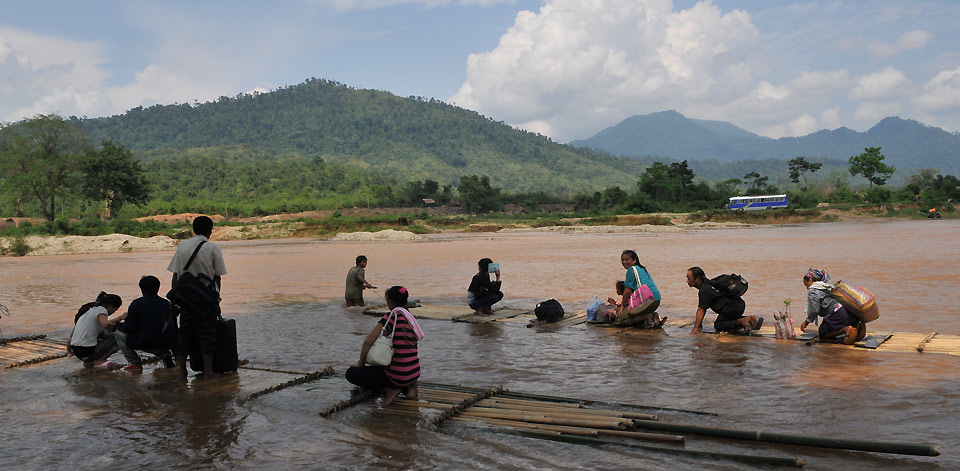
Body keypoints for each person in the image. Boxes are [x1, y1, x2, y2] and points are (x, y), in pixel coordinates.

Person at [167, 215, 227, 380]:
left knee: (185, 335)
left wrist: (174, 301)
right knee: (208, 334)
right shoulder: (213, 248)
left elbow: (176, 276)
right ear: (210, 231)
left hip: (186, 300)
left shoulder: (182, 246)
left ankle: (181, 373)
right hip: (205, 301)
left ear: (193, 230)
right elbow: (217, 277)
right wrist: (217, 299)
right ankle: (208, 372)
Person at [346, 285, 424, 406]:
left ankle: (392, 388)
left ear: (390, 301)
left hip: (398, 374)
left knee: (351, 373)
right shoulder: (410, 317)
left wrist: (361, 362)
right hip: (414, 372)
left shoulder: (392, 316)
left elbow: (368, 341)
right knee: (398, 362)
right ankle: (410, 388)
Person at [115, 276, 178, 371]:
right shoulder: (166, 303)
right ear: (158, 288)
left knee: (117, 334)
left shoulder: (137, 304)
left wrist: (120, 325)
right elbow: (173, 326)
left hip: (147, 343)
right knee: (156, 332)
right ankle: (164, 354)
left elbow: (130, 327)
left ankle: (135, 363)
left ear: (141, 288)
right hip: (168, 343)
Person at [687, 267, 761, 334]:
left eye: (689, 278)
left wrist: (695, 328)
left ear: (697, 279)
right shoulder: (711, 284)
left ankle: (742, 321)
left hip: (730, 309)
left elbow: (701, 310)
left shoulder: (704, 290)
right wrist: (699, 325)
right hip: (740, 305)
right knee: (728, 321)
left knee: (718, 325)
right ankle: (749, 320)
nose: (687, 281)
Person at [800, 268, 864, 344]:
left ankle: (846, 329)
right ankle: (857, 326)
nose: (807, 287)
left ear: (810, 280)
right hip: (849, 313)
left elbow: (814, 311)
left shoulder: (813, 291)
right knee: (835, 324)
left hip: (838, 315)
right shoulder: (827, 286)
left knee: (822, 333)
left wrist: (806, 322)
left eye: (806, 284)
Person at [67, 292, 125, 368]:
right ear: (110, 306)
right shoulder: (102, 310)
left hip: (77, 352)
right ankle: (101, 360)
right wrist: (120, 319)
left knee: (106, 334)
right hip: (86, 351)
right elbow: (106, 325)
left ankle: (89, 361)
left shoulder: (90, 311)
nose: (113, 312)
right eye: (115, 310)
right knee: (120, 336)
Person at [614, 250, 664, 328]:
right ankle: (653, 316)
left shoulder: (631, 270)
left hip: (647, 301)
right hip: (656, 301)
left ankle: (646, 317)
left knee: (620, 320)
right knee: (629, 313)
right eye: (622, 260)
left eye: (627, 260)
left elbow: (627, 291)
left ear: (634, 260)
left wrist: (622, 307)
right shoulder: (642, 268)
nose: (624, 262)